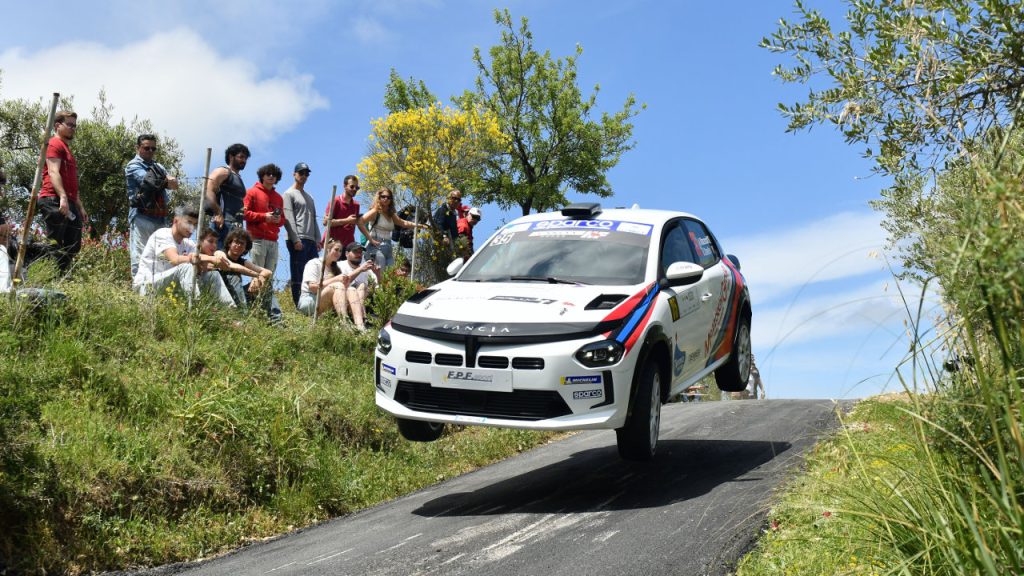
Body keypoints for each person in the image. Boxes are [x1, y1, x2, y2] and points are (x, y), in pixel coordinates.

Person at [132, 204, 236, 307]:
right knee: (186, 268)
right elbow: (174, 259)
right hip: (146, 286)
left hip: (168, 286)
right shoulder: (163, 234)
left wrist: (217, 260)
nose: (192, 228)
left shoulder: (188, 244)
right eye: (189, 222)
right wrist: (208, 259)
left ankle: (230, 310)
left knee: (213, 275)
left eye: (195, 224)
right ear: (176, 220)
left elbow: (200, 264)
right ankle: (195, 308)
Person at [36, 110, 86, 274]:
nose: (73, 128)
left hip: (68, 200)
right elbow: (53, 172)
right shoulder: (54, 144)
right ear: (57, 125)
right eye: (69, 124)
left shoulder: (66, 149)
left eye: (74, 125)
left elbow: (71, 181)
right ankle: (49, 277)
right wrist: (63, 197)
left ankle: (60, 276)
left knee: (73, 244)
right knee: (55, 243)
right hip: (53, 199)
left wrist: (79, 205)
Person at [125, 134, 179, 277]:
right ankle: (138, 286)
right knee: (140, 255)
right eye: (146, 148)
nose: (150, 151)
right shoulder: (133, 165)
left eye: (153, 149)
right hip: (141, 216)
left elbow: (174, 185)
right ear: (137, 148)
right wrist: (166, 180)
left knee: (160, 257)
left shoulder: (158, 166)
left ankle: (156, 287)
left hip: (160, 217)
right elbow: (149, 181)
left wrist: (166, 181)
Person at [217, 228, 282, 323]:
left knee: (266, 284)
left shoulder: (243, 262)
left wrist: (259, 278)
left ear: (245, 248)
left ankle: (276, 320)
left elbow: (268, 272)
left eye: (242, 244)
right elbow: (231, 266)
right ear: (229, 243)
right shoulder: (220, 253)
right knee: (234, 276)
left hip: (238, 294)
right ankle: (241, 315)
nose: (239, 245)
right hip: (220, 292)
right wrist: (256, 275)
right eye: (236, 242)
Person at [282, 162, 321, 306]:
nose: (304, 176)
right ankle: (298, 304)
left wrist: (318, 239)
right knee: (298, 273)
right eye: (301, 173)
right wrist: (295, 239)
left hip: (311, 240)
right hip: (298, 239)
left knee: (313, 273)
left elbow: (314, 218)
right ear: (294, 174)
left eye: (306, 174)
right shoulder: (288, 194)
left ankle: (312, 305)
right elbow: (288, 218)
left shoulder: (310, 197)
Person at [359, 187, 426, 269]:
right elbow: (360, 222)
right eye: (383, 196)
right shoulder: (375, 211)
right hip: (375, 246)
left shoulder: (391, 214)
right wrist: (370, 239)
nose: (386, 199)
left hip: (388, 246)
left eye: (388, 197)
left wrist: (419, 225)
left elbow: (403, 223)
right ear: (379, 198)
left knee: (390, 273)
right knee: (380, 270)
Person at [205, 143, 250, 249]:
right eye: (241, 157)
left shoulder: (238, 177)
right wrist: (218, 213)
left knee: (231, 259)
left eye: (245, 158)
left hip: (236, 227)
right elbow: (208, 190)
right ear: (231, 156)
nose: (244, 160)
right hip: (223, 224)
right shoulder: (223, 171)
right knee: (218, 256)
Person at [242, 163, 284, 275]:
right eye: (268, 173)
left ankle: (266, 289)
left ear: (277, 178)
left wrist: (278, 220)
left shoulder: (279, 198)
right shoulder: (251, 192)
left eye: (274, 174)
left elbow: (283, 220)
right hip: (257, 240)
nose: (271, 176)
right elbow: (244, 214)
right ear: (262, 176)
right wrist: (264, 217)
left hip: (273, 241)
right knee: (257, 276)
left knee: (269, 277)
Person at [297, 238, 346, 317]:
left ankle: (360, 322)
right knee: (338, 285)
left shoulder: (336, 268)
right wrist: (335, 279)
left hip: (325, 299)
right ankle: (344, 320)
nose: (339, 253)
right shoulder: (314, 263)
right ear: (327, 249)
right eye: (336, 250)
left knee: (351, 290)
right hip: (310, 299)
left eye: (340, 251)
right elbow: (313, 288)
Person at [336, 242, 380, 330]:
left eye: (360, 252)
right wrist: (360, 269)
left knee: (362, 286)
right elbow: (341, 284)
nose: (359, 254)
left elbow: (378, 288)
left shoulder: (367, 269)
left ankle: (361, 319)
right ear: (347, 254)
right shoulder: (339, 265)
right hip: (343, 301)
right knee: (354, 288)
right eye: (355, 252)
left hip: (362, 301)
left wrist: (378, 274)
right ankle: (363, 319)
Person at [325, 174, 370, 248]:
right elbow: (326, 222)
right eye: (352, 186)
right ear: (345, 186)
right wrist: (347, 220)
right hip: (334, 245)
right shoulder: (336, 201)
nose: (354, 189)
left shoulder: (356, 205)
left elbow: (358, 224)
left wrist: (371, 240)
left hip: (349, 246)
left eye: (357, 188)